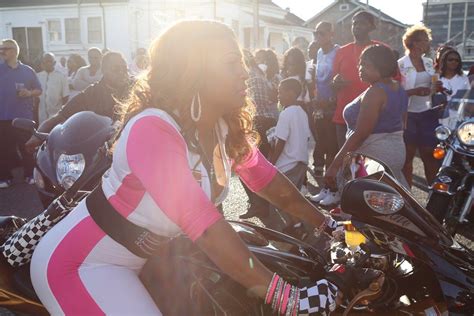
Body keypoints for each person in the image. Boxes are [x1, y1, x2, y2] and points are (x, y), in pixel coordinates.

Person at [30, 21, 348, 315]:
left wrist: (331, 227)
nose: (244, 73)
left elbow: (268, 182)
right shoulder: (153, 128)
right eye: (231, 63)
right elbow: (205, 227)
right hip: (84, 264)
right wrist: (290, 299)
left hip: (149, 259)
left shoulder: (222, 126)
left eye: (241, 62)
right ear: (194, 71)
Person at [325, 44, 409, 189]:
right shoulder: (398, 87)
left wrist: (334, 165)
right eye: (360, 64)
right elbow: (403, 123)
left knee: (367, 205)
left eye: (366, 65)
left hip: (375, 157)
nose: (360, 68)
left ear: (380, 66)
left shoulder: (375, 93)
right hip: (395, 152)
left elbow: (360, 134)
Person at [25, 52, 130, 152]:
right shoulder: (92, 93)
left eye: (124, 68)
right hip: (99, 151)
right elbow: (61, 116)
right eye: (116, 69)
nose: (122, 72)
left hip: (127, 146)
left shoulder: (135, 90)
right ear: (103, 70)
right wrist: (37, 136)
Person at [398, 24, 441, 187]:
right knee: (407, 158)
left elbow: (433, 83)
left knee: (429, 155)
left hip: (428, 113)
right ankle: (408, 196)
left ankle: (433, 195)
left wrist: (436, 88)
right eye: (422, 40)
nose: (425, 43)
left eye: (426, 40)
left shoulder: (429, 62)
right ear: (412, 42)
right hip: (407, 114)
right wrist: (414, 91)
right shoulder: (400, 64)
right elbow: (395, 93)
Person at [332, 11, 382, 149]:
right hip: (344, 117)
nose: (357, 26)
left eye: (362, 23)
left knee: (370, 165)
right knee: (345, 162)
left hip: (372, 117)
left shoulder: (381, 50)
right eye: (355, 23)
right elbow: (333, 82)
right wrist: (336, 82)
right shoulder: (341, 51)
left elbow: (393, 82)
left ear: (372, 27)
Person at [238, 50, 278, 219]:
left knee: (247, 166)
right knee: (251, 165)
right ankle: (260, 204)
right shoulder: (255, 74)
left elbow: (258, 104)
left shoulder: (253, 77)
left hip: (259, 123)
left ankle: (259, 204)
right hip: (259, 122)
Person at [0, 39, 42, 188]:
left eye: (5, 48)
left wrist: (29, 92)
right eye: (1, 48)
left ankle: (30, 174)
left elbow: (39, 90)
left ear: (14, 51)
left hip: (23, 117)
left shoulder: (28, 71)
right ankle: (5, 177)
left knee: (26, 147)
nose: (2, 51)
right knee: (3, 149)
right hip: (3, 117)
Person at [309, 21, 341, 205]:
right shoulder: (320, 52)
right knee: (324, 146)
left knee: (333, 150)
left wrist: (329, 101)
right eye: (316, 33)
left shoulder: (339, 51)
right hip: (320, 107)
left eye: (321, 33)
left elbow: (341, 82)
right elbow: (319, 81)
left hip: (334, 107)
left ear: (331, 33)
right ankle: (327, 188)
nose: (318, 37)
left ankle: (335, 189)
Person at [37, 53, 69, 123]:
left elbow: (66, 97)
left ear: (54, 63)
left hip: (56, 117)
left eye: (49, 61)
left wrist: (63, 115)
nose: (46, 63)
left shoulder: (61, 77)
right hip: (41, 117)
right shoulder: (38, 76)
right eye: (44, 61)